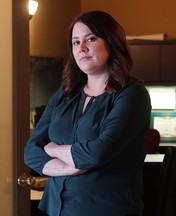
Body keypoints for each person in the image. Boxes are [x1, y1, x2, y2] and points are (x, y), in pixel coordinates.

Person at [24, 10, 151, 216]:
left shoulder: (132, 94)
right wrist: (66, 168)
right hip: (55, 209)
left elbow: (97, 153)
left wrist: (55, 149)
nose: (81, 48)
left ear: (112, 42)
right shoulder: (65, 94)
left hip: (105, 210)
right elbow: (31, 152)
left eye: (90, 39)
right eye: (75, 42)